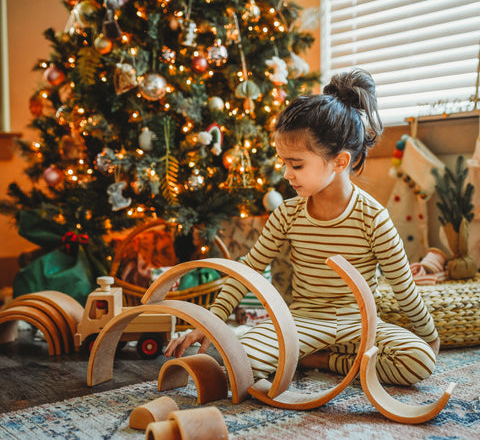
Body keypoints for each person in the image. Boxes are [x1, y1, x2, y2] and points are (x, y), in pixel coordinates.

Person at [165, 68, 440, 386]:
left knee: (419, 361)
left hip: (359, 325)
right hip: (302, 321)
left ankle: (322, 361)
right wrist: (210, 320)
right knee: (240, 359)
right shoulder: (288, 213)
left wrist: (429, 337)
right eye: (283, 162)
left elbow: (404, 288)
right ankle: (323, 359)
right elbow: (250, 271)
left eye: (296, 164)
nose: (286, 174)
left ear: (339, 161)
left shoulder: (373, 217)